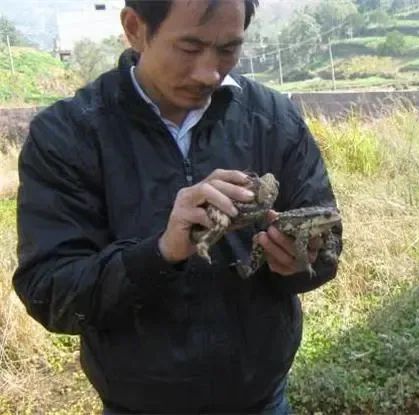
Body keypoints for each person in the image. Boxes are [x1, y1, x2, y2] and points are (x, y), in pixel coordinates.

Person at [12, 0, 342, 413]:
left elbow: (328, 238)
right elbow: (50, 291)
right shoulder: (68, 136)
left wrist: (301, 264)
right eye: (189, 48)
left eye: (227, 49)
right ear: (135, 28)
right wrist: (160, 253)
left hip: (261, 400)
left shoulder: (272, 119)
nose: (209, 72)